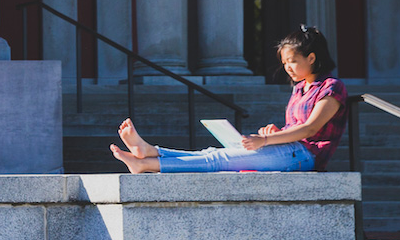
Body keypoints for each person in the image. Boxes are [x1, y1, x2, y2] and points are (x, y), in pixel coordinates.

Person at [111, 25, 347, 174]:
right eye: (284, 63)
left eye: (292, 62)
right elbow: (296, 127)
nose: (288, 68)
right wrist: (275, 132)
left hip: (305, 156)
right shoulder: (300, 88)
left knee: (219, 159)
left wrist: (266, 140)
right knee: (212, 152)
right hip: (289, 149)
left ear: (312, 57)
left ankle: (148, 164)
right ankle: (150, 151)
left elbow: (310, 129)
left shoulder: (331, 88)